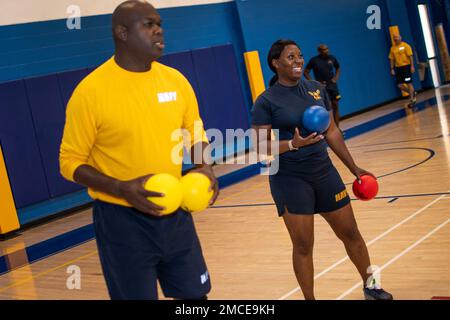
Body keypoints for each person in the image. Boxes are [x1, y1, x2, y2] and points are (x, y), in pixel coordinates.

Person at [60, 0, 219, 300]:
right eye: (148, 24)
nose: (158, 29)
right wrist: (121, 188)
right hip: (122, 221)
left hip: (176, 213)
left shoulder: (176, 80)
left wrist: (204, 166)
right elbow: (69, 162)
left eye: (159, 23)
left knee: (196, 297)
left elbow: (194, 130)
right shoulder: (90, 92)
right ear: (121, 33)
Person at [251, 39, 393, 300]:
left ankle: (372, 286)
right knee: (303, 245)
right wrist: (293, 144)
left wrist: (354, 168)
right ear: (275, 63)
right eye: (290, 57)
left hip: (323, 172)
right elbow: (261, 147)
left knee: (351, 232)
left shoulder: (316, 89)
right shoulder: (266, 101)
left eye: (300, 56)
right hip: (289, 179)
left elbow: (332, 131)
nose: (298, 61)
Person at [304, 44, 341, 127]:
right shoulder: (314, 60)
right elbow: (306, 72)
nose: (326, 51)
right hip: (321, 87)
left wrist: (335, 78)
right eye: (323, 49)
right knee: (328, 108)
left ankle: (338, 128)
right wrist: (314, 82)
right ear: (319, 51)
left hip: (332, 86)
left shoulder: (332, 58)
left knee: (336, 106)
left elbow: (338, 68)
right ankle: (330, 128)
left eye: (327, 49)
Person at [389, 35, 417, 107]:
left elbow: (410, 56)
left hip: (406, 67)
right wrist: (392, 68)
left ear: (400, 38)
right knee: (400, 85)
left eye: (397, 37)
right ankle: (412, 93)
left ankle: (412, 100)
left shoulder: (406, 46)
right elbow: (392, 59)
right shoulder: (392, 48)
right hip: (398, 68)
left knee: (409, 83)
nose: (395, 39)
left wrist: (412, 66)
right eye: (394, 38)